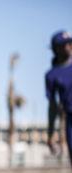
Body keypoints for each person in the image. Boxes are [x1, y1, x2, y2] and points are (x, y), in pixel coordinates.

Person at [45, 30, 72, 165]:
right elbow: (52, 106)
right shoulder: (52, 75)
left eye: (69, 43)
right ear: (55, 49)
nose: (67, 47)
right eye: (63, 45)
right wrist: (50, 134)